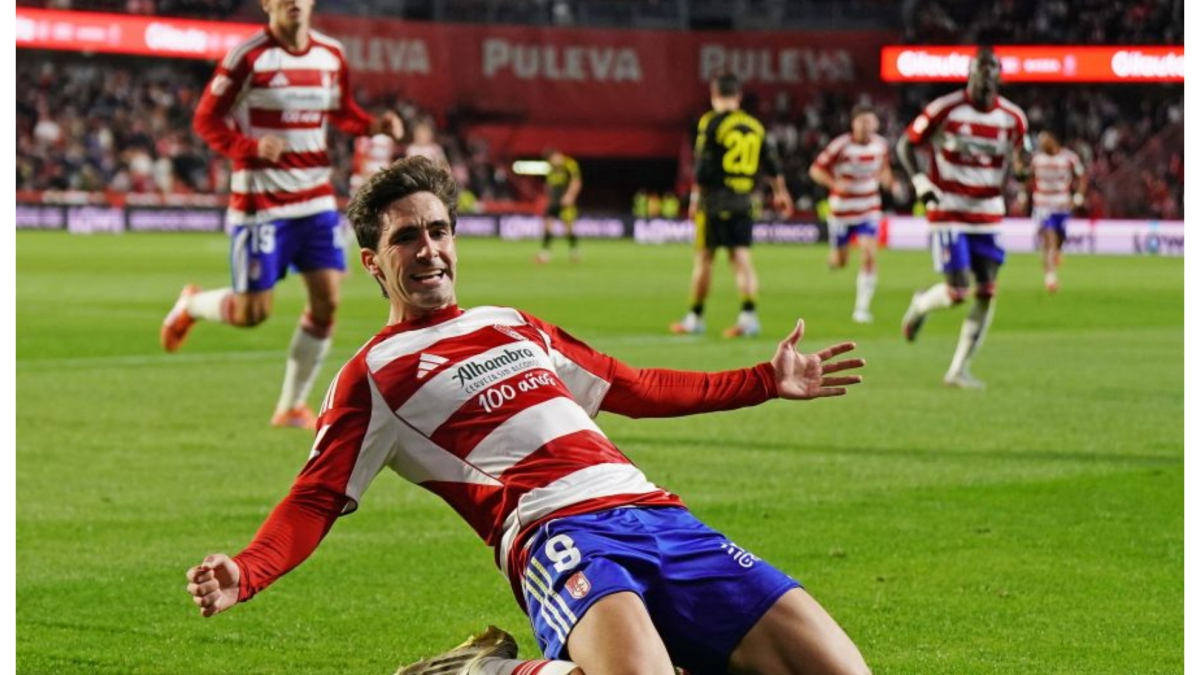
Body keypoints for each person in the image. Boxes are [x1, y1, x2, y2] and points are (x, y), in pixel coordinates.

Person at [185, 157, 870, 675]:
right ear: (372, 262)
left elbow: (633, 386)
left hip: (661, 517)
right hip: (558, 535)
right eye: (405, 238)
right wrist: (248, 570)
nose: (428, 249)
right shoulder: (372, 376)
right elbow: (316, 497)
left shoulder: (512, 323)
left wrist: (763, 380)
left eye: (438, 230)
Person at [159, 0, 404, 429]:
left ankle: (291, 406)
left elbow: (341, 110)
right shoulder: (248, 57)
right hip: (262, 203)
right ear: (267, 4)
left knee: (327, 300)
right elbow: (206, 120)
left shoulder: (330, 54)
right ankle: (192, 304)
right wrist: (249, 147)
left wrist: (372, 125)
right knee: (253, 313)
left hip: (315, 198)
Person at [896, 47, 1030, 389]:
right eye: (978, 74)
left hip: (988, 213)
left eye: (990, 74)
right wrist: (920, 181)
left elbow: (1021, 162)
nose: (984, 81)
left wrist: (1023, 171)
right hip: (949, 210)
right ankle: (921, 305)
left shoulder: (1013, 118)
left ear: (999, 78)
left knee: (986, 291)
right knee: (957, 292)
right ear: (969, 75)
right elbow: (905, 144)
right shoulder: (945, 109)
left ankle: (958, 370)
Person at [671, 73, 793, 339]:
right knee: (742, 259)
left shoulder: (711, 122)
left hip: (714, 201)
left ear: (714, 95)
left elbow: (703, 167)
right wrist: (781, 193)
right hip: (744, 200)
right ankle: (749, 319)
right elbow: (772, 163)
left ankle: (695, 318)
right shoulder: (754, 125)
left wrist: (694, 200)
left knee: (704, 260)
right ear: (738, 96)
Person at [809, 104, 895, 324]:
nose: (866, 126)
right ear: (853, 123)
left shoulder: (881, 145)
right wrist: (834, 184)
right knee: (840, 262)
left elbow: (884, 168)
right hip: (842, 212)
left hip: (869, 208)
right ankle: (834, 259)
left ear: (876, 124)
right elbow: (816, 170)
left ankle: (862, 309)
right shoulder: (840, 145)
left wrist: (890, 182)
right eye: (862, 121)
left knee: (869, 254)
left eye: (870, 121)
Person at [1028, 130, 1086, 293]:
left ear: (1053, 140)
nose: (1041, 144)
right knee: (1049, 239)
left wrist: (1078, 197)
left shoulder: (1070, 158)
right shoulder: (1037, 159)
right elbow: (1029, 179)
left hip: (1062, 204)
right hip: (1043, 205)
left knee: (1060, 238)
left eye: (1044, 140)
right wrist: (1023, 196)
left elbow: (1082, 177)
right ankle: (1050, 278)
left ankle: (1056, 253)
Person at [536, 149, 583, 264]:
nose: (553, 161)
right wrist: (548, 197)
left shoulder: (570, 165)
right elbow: (549, 185)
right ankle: (545, 254)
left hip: (565, 201)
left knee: (568, 228)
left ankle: (574, 251)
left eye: (554, 159)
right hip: (554, 201)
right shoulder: (551, 169)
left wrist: (570, 196)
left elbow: (576, 182)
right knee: (547, 224)